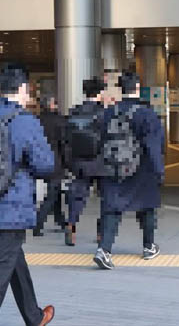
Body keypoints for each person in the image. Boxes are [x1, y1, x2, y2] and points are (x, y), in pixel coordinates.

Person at [0, 64, 55, 326]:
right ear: (22, 89)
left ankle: (34, 316)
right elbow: (45, 165)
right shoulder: (24, 121)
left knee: (11, 258)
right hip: (12, 208)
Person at [93, 72, 164, 270]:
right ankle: (149, 246)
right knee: (147, 207)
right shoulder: (147, 114)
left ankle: (104, 250)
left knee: (112, 209)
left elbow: (98, 141)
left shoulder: (108, 112)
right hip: (142, 170)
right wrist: (159, 170)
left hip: (113, 168)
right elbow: (154, 146)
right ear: (138, 88)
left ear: (121, 90)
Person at [62, 77, 106, 246]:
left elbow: (66, 138)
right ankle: (101, 232)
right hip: (100, 161)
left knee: (78, 194)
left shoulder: (74, 111)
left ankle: (71, 223)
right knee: (105, 197)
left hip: (79, 160)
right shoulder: (104, 113)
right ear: (100, 93)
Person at [35, 93, 67, 237]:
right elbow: (64, 143)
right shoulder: (58, 120)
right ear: (51, 105)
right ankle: (38, 222)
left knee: (55, 191)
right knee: (53, 194)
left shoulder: (38, 120)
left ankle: (60, 219)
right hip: (56, 160)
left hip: (42, 159)